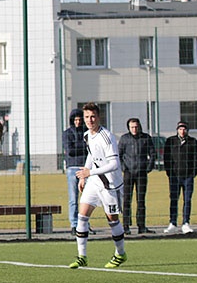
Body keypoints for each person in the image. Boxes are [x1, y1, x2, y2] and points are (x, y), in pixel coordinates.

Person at [68, 102, 127, 269]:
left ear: (99, 117)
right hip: (94, 182)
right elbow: (92, 155)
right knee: (82, 216)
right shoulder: (87, 135)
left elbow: (114, 164)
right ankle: (82, 256)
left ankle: (120, 253)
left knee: (112, 221)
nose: (89, 120)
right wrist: (84, 176)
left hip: (110, 185)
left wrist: (90, 173)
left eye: (93, 116)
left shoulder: (107, 136)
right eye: (86, 117)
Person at [163, 121, 197, 235]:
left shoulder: (193, 142)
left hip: (188, 176)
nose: (182, 131)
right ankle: (172, 223)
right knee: (174, 199)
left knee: (187, 200)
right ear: (177, 130)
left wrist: (193, 172)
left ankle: (186, 223)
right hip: (174, 176)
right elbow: (166, 158)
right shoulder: (171, 141)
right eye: (180, 129)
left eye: (184, 129)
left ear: (187, 130)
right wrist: (169, 172)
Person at [118, 118, 155, 235]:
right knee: (126, 200)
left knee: (141, 200)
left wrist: (148, 167)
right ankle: (126, 226)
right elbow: (119, 155)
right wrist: (124, 168)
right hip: (128, 173)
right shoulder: (124, 139)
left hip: (141, 173)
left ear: (139, 127)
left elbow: (152, 154)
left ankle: (141, 225)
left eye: (136, 127)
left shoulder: (146, 138)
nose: (134, 129)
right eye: (132, 127)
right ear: (128, 128)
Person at [62, 108, 88, 236]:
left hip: (85, 168)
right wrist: (82, 146)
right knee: (73, 198)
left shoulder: (86, 133)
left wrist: (78, 146)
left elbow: (90, 149)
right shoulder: (67, 133)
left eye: (79, 119)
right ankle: (73, 224)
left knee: (86, 198)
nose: (77, 122)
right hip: (72, 168)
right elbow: (70, 150)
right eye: (75, 120)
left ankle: (84, 224)